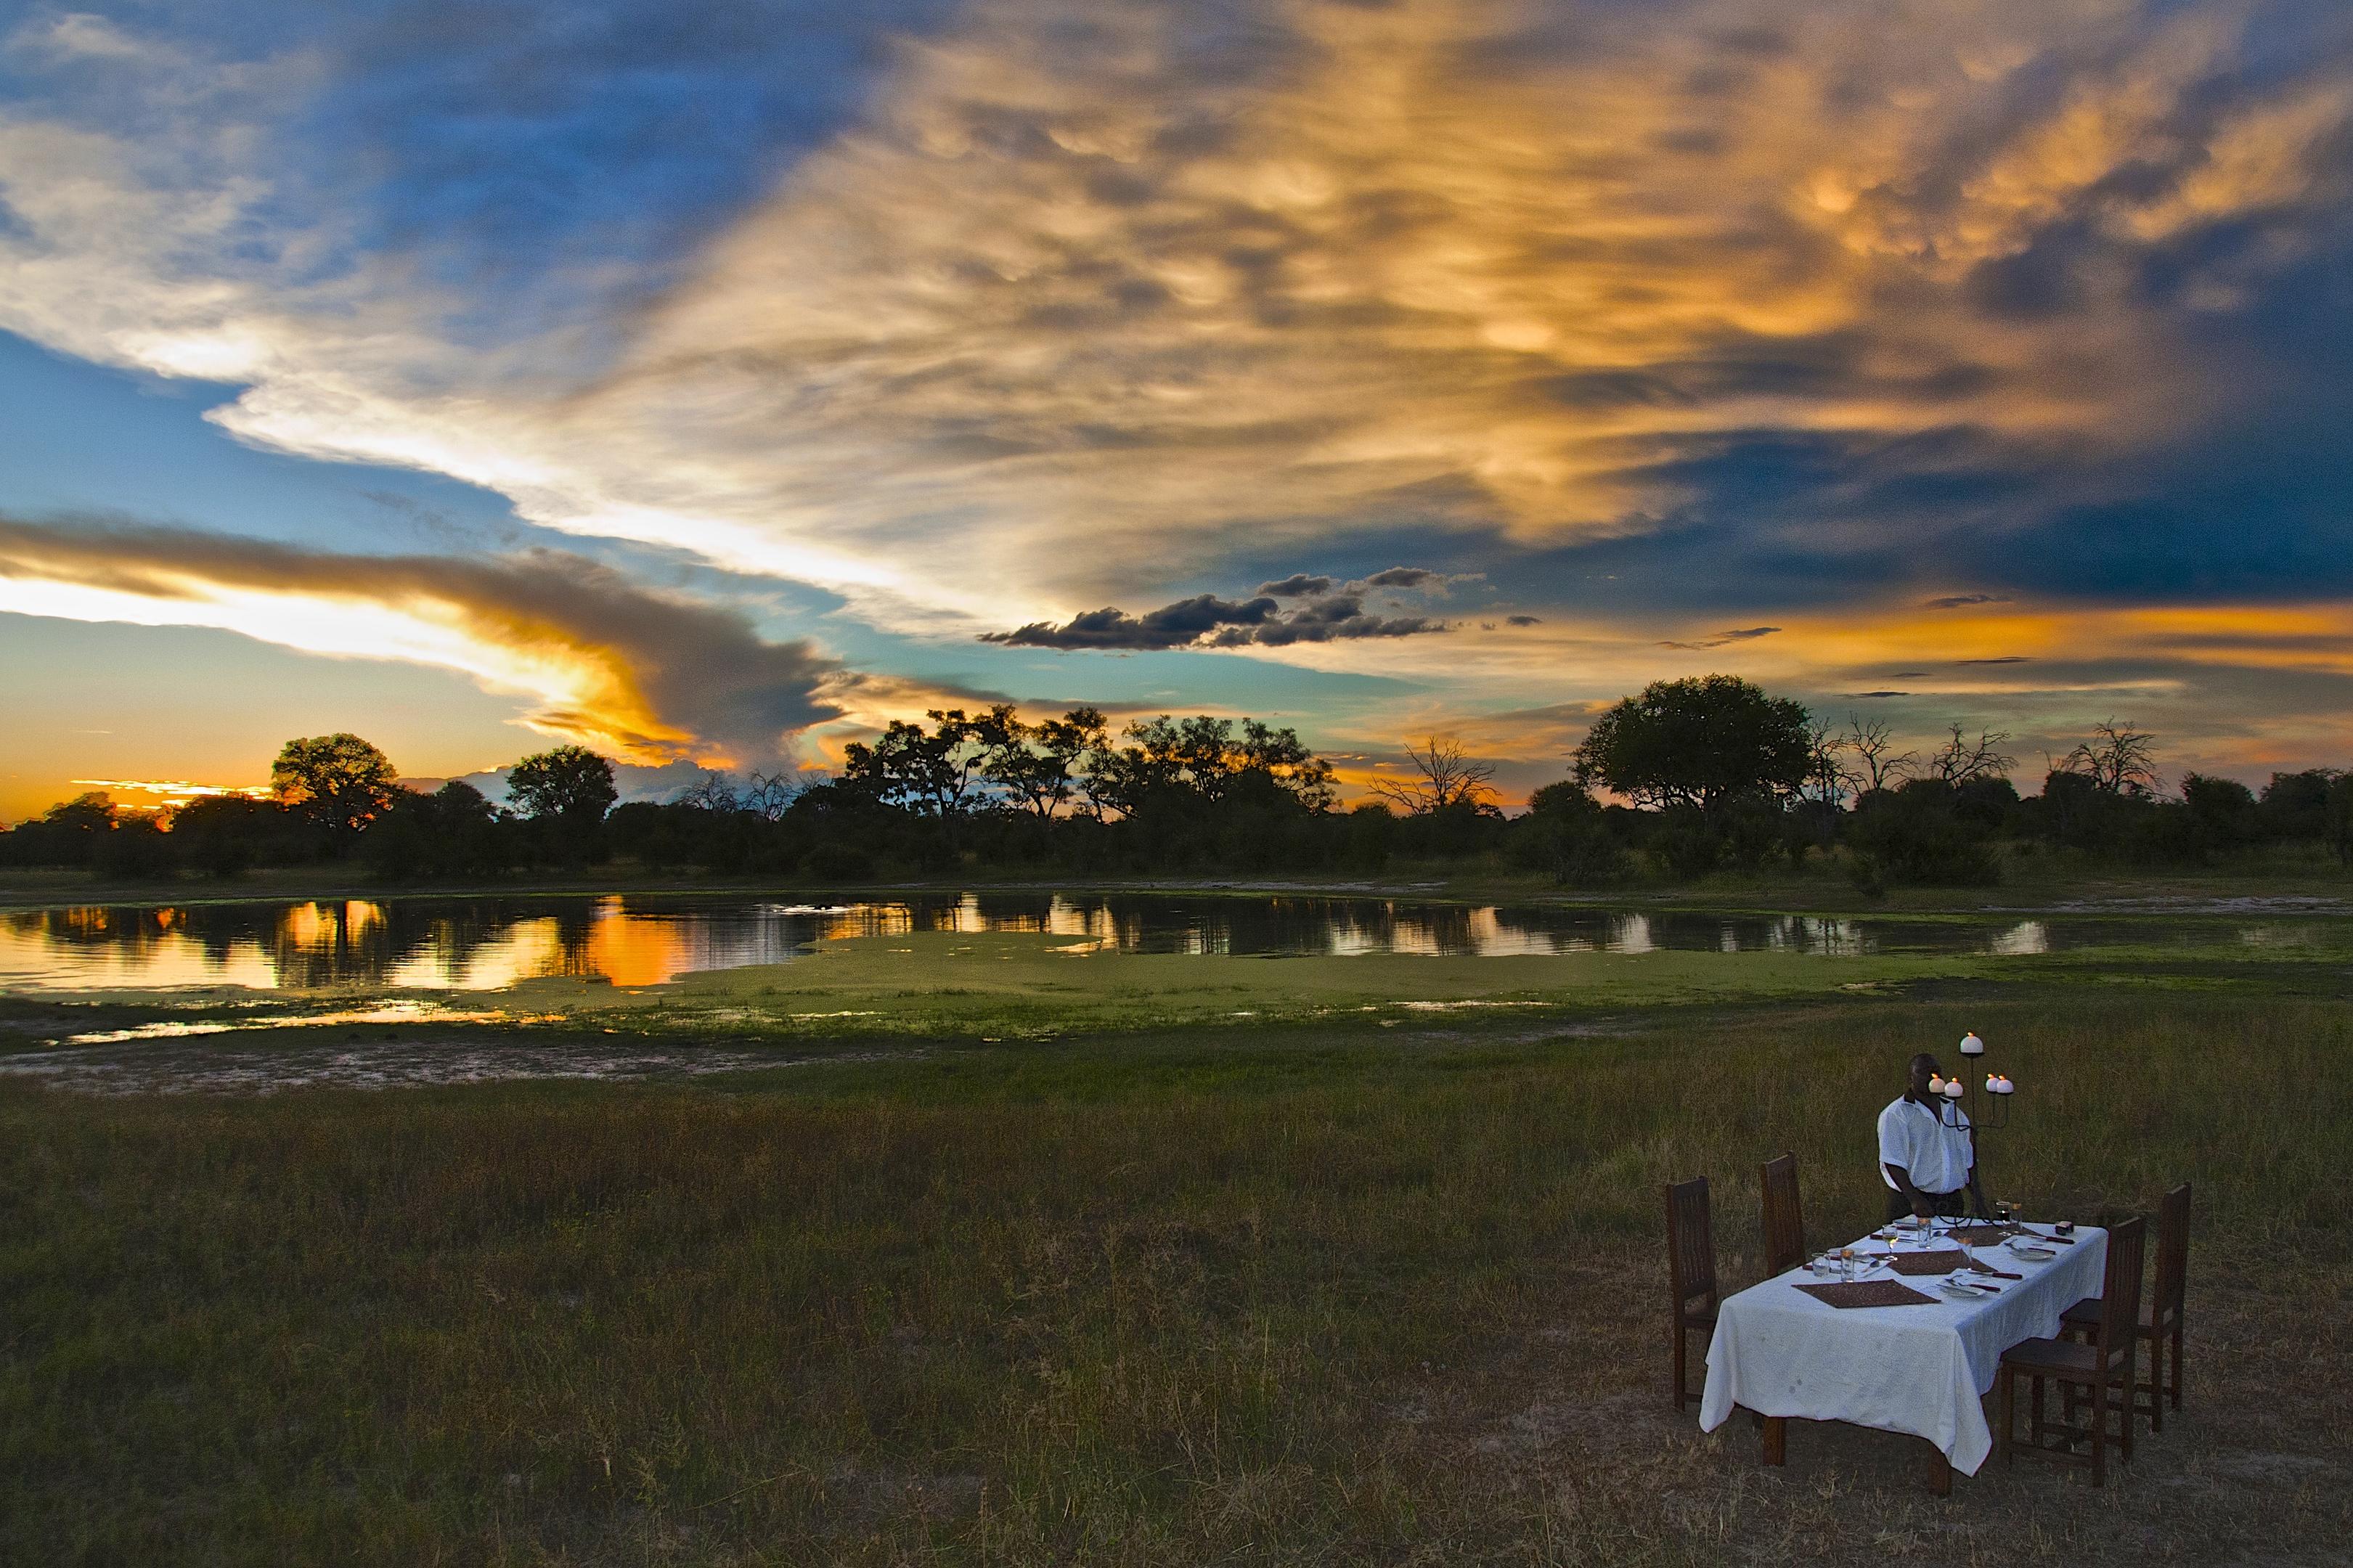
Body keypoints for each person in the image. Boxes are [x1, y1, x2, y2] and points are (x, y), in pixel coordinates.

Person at [1878, 1051, 1986, 1222]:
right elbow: (1892, 1161)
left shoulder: (1954, 1113)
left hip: (1951, 1203)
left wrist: (1978, 1199)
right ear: (1911, 1078)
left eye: (1936, 1071)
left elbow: (1967, 1160)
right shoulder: (1898, 1114)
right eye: (1924, 1072)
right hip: (1914, 1203)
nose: (1932, 1076)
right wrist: (1914, 1199)